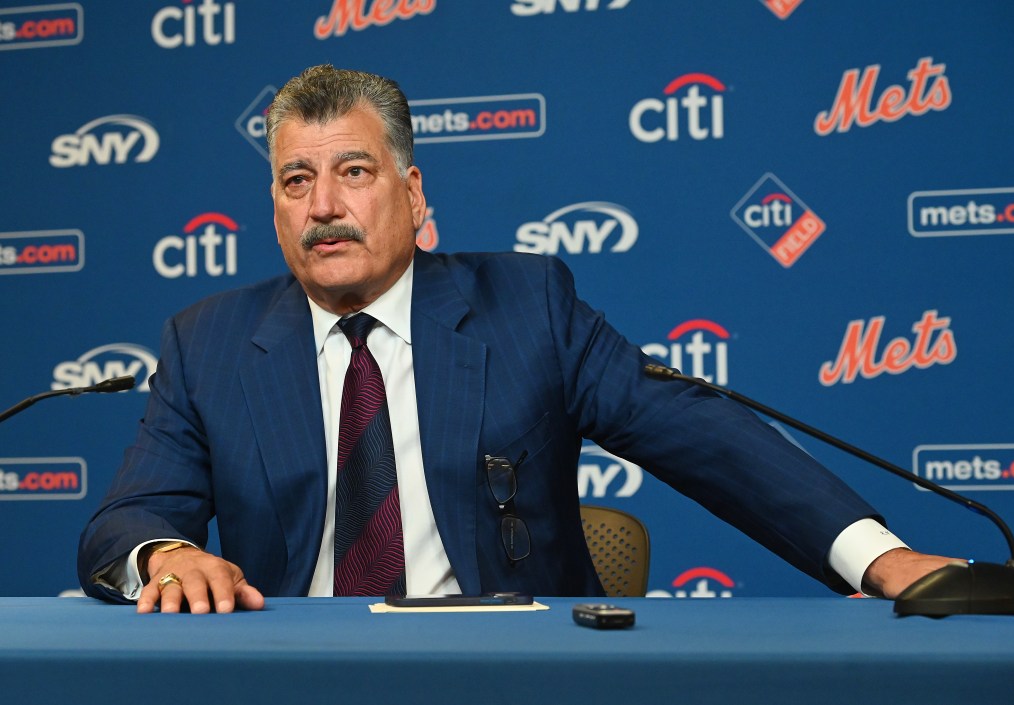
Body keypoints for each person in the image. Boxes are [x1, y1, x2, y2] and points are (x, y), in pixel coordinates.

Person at [77, 65, 952, 614]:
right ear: (273, 207)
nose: (324, 207)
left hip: (508, 675)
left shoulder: (524, 304)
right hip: (297, 679)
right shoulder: (210, 343)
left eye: (354, 172)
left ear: (413, 195)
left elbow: (700, 434)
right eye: (295, 180)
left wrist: (877, 557)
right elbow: (125, 519)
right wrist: (170, 550)